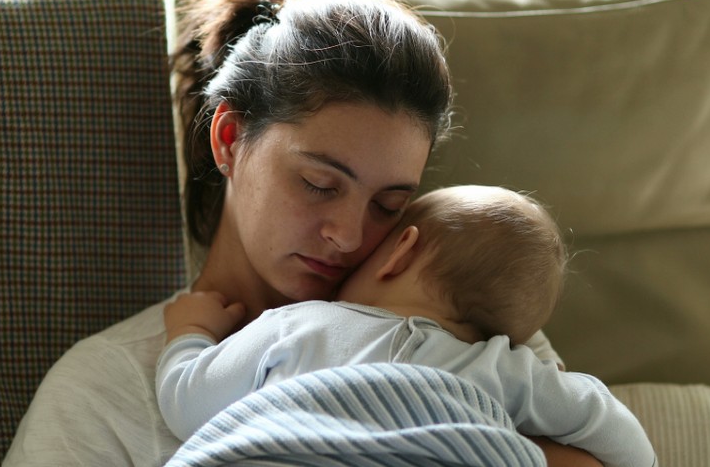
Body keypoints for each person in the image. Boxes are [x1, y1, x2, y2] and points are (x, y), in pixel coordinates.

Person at [4, 0, 596, 465]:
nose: (349, 236)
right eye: (318, 184)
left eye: (387, 206)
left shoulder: (456, 306)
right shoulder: (103, 395)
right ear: (230, 139)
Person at [156, 185, 657, 467]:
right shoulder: (505, 369)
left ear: (399, 251)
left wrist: (190, 332)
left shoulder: (299, 322)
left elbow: (187, 402)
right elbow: (617, 433)